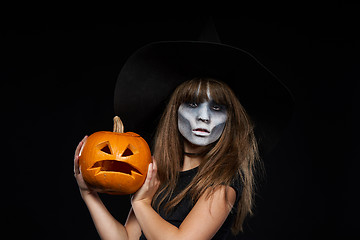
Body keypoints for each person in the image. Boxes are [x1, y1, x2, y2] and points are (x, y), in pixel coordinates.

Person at [74, 77, 261, 239]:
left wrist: (141, 203)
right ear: (175, 111)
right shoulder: (157, 172)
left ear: (229, 119)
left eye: (217, 107)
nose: (204, 117)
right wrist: (89, 194)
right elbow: (127, 238)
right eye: (193, 104)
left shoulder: (222, 185)